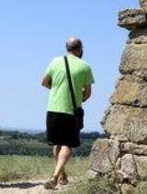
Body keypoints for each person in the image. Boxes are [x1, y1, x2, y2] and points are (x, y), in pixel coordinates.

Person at [41, 36, 94, 190]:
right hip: (70, 110)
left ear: (67, 48)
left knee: (57, 143)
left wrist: (57, 91)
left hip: (52, 108)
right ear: (80, 49)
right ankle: (55, 176)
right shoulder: (85, 66)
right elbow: (88, 93)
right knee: (68, 145)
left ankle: (62, 175)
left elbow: (44, 82)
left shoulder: (55, 61)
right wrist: (78, 98)